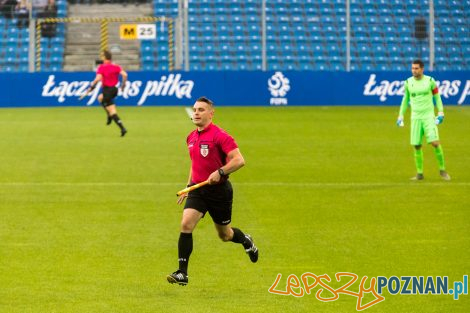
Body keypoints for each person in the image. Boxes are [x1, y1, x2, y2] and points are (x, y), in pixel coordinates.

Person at [167, 96, 258, 286]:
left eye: (201, 110)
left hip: (219, 192)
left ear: (211, 113)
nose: (196, 113)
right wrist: (188, 186)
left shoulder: (221, 136)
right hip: (198, 189)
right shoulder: (191, 137)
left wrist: (220, 171)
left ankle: (246, 240)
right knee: (186, 224)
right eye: (195, 109)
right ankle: (182, 273)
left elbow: (239, 160)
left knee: (225, 235)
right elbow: (195, 164)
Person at [396, 59, 450, 180]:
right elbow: (405, 100)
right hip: (415, 117)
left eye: (416, 68)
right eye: (412, 68)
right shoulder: (408, 82)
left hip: (428, 116)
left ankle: (442, 170)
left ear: (422, 69)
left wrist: (441, 112)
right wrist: (400, 115)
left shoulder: (430, 81)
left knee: (435, 143)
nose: (414, 70)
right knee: (416, 145)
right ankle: (419, 174)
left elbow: (437, 97)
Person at [87, 50, 128, 137]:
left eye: (102, 56)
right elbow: (125, 75)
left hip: (107, 90)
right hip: (114, 90)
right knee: (100, 98)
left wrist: (91, 87)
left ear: (105, 57)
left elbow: (97, 79)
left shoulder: (102, 67)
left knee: (112, 111)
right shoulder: (116, 66)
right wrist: (123, 85)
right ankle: (109, 116)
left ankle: (122, 128)